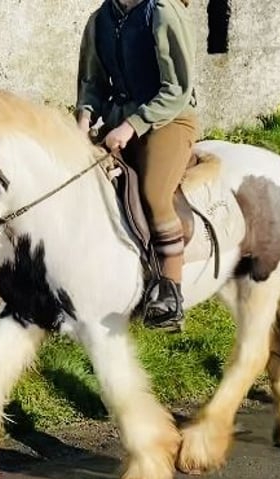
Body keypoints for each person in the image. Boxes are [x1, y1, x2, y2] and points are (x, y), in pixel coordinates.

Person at [76, 0, 198, 331]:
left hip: (167, 120)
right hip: (118, 121)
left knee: (153, 193)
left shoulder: (162, 11)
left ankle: (169, 291)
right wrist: (84, 118)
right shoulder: (100, 19)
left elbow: (177, 90)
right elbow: (93, 83)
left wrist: (132, 125)